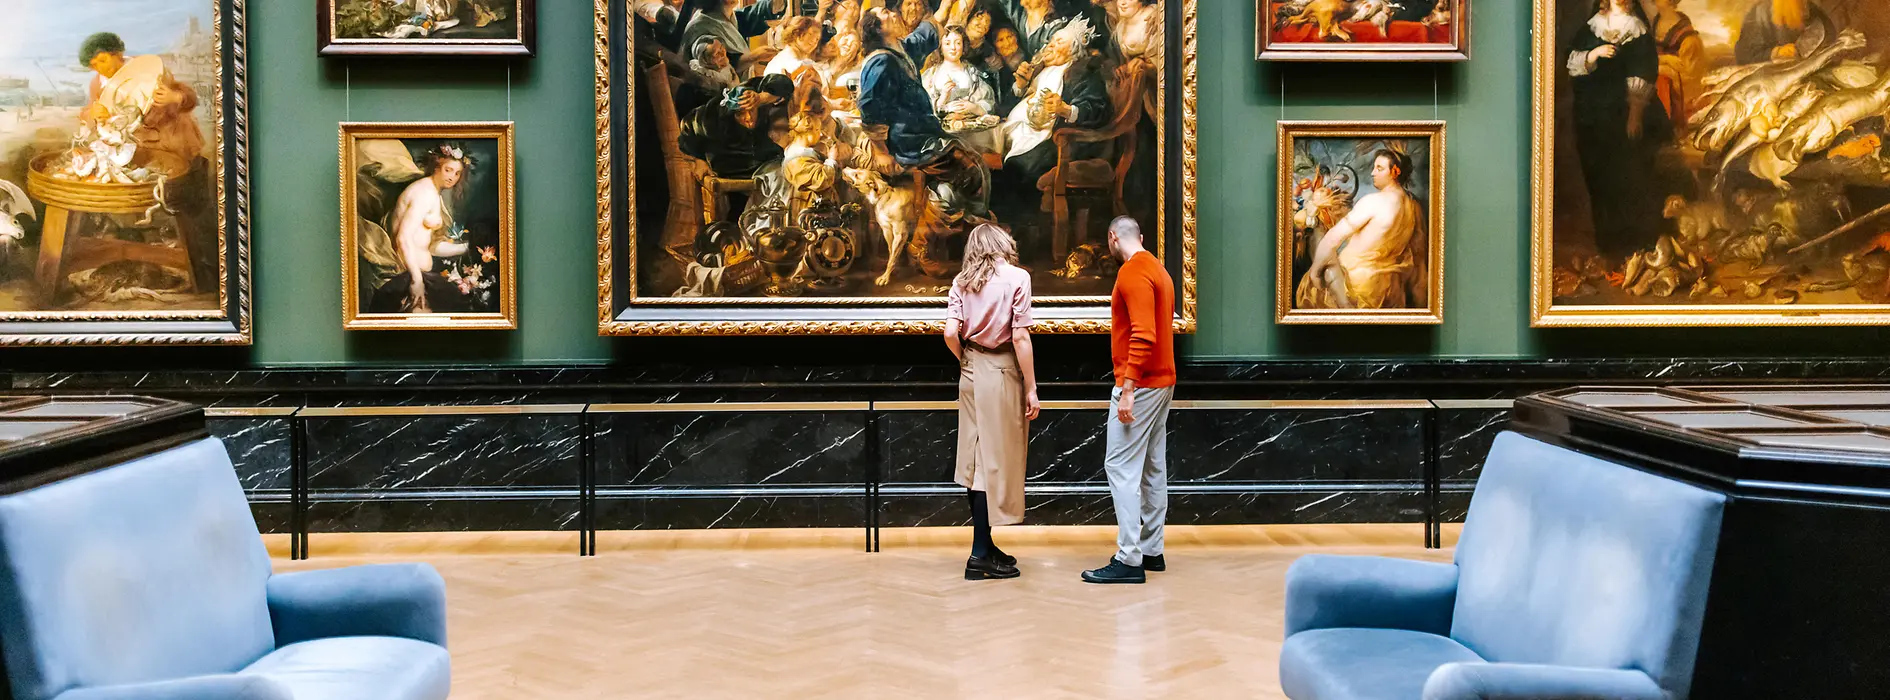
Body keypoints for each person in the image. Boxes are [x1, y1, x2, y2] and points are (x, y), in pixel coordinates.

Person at [945, 223, 1041, 581]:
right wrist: (1031, 387)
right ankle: (979, 555)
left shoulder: (961, 281)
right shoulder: (1018, 278)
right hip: (1001, 370)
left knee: (974, 459)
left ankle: (985, 544)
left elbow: (950, 333)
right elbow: (1020, 337)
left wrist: (966, 359)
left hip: (970, 369)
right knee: (991, 462)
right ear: (1003, 244)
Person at [1082, 216, 1174, 585]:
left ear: (1112, 238)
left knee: (1120, 466)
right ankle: (1151, 550)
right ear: (1141, 236)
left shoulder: (1132, 272)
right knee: (1152, 467)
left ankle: (1129, 558)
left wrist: (1129, 388)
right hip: (1162, 381)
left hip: (1142, 383)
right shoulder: (1158, 269)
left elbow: (1144, 334)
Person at [1566, 0, 1670, 260]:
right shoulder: (1591, 27)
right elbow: (1572, 63)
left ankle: (1636, 242)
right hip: (1593, 115)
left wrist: (1635, 115)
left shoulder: (1637, 30)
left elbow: (1643, 73)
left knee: (1629, 174)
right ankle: (1608, 241)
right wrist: (1594, 54)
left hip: (1624, 115)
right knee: (1599, 176)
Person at [1296, 149, 1427, 310]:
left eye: (1379, 168)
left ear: (1394, 172)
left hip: (1356, 287)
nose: (1373, 173)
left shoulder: (1374, 201)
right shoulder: (1414, 206)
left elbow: (1332, 239)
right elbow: (1418, 259)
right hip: (1390, 290)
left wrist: (1315, 272)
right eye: (1374, 167)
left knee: (1313, 282)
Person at [369, 143, 475, 314]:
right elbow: (403, 238)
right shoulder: (424, 193)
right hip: (408, 277)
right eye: (448, 170)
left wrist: (467, 247)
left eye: (457, 173)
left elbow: (430, 246)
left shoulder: (433, 194)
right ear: (436, 167)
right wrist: (416, 280)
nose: (452, 177)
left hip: (421, 276)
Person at [1649, 0, 1703, 128]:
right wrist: (1663, 60)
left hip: (1678, 89)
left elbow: (1687, 74)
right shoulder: (1656, 22)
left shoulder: (1688, 38)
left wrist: (1658, 67)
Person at [1733, 0, 1832, 65]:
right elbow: (1743, 55)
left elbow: (1830, 42)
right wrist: (1775, 53)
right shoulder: (1759, 12)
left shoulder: (1814, 12)